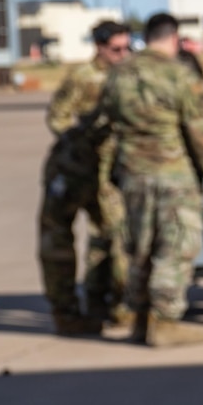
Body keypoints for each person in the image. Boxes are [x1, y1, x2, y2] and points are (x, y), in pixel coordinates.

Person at [97, 12, 203, 347]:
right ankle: (166, 320)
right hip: (173, 174)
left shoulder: (118, 74)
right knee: (177, 245)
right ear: (173, 39)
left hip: (133, 174)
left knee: (141, 246)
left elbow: (107, 121)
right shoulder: (179, 74)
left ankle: (141, 319)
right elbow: (199, 131)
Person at [38, 19, 132, 335]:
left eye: (126, 47)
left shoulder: (128, 77)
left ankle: (105, 303)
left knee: (113, 239)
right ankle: (66, 313)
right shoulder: (81, 77)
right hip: (71, 171)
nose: (123, 54)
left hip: (106, 175)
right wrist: (83, 137)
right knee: (58, 242)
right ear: (100, 47)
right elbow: (57, 117)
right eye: (116, 49)